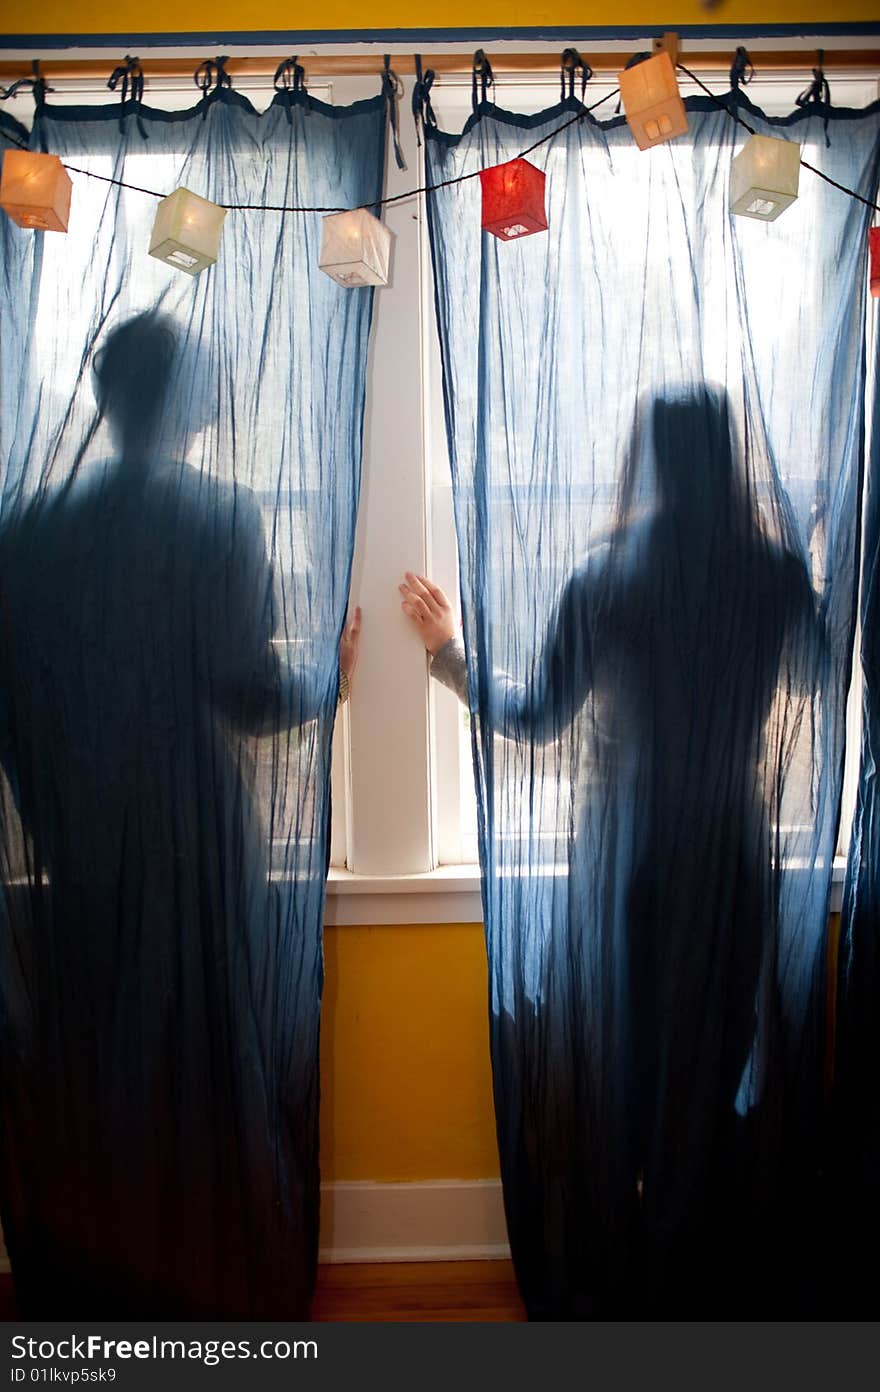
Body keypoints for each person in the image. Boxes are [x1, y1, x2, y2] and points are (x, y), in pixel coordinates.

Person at [401, 384, 820, 1315]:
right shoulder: (775, 575)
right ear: (730, 456)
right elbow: (818, 672)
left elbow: (539, 716)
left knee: (626, 1063)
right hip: (731, 851)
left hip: (626, 859)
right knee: (714, 1062)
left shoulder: (606, 578)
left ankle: (629, 1283)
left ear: (651, 460)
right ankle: (698, 1280)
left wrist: (447, 655)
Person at [0, 312, 360, 1317]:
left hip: (81, 838)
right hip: (198, 833)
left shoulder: (22, 527)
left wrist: (61, 801)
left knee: (104, 1067)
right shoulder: (222, 517)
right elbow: (245, 690)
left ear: (107, 399)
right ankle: (214, 1278)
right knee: (206, 1061)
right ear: (190, 400)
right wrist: (326, 684)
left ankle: (107, 1288)